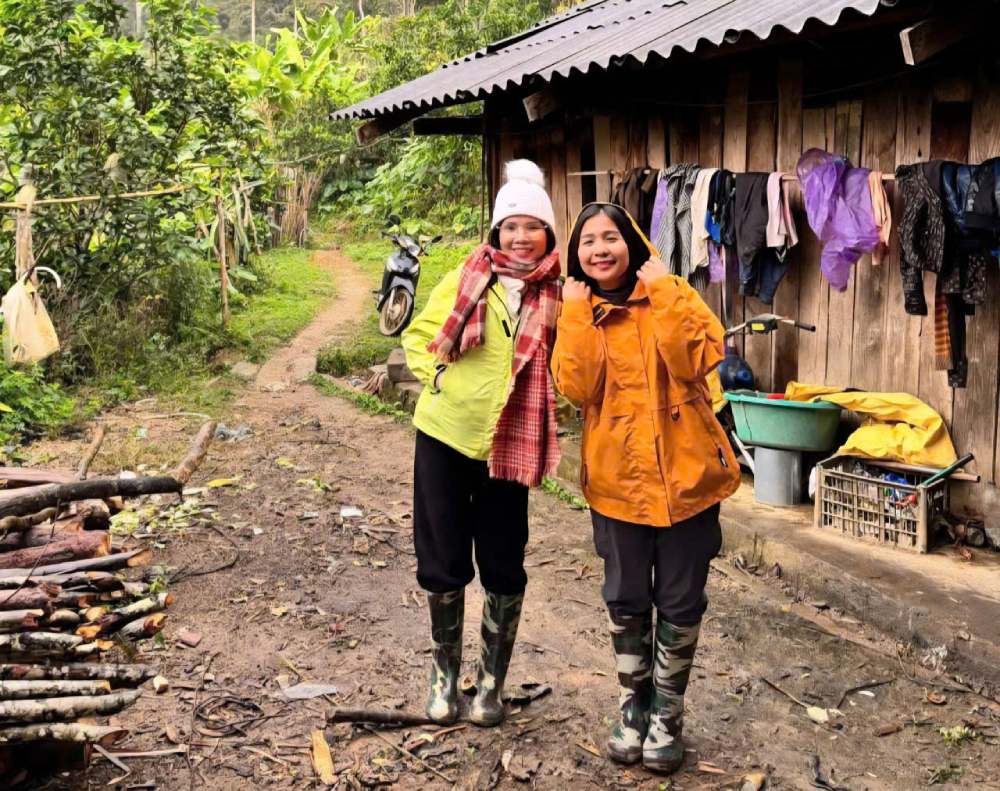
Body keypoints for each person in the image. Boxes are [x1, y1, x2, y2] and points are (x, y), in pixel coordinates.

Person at [551, 202, 739, 773]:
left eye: (610, 237)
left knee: (680, 601)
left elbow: (696, 362)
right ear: (577, 255)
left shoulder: (672, 291)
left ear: (632, 242)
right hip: (618, 481)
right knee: (626, 597)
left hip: (688, 479)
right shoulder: (578, 309)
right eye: (587, 241)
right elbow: (577, 388)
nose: (599, 249)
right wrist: (576, 314)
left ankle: (668, 715)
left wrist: (664, 293)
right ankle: (633, 708)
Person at [401, 160, 562, 726]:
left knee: (503, 560)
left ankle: (491, 684)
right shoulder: (467, 278)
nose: (520, 237)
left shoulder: (558, 295)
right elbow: (419, 337)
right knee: (441, 557)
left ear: (548, 234)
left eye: (532, 226)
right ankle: (444, 677)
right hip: (445, 436)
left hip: (509, 444)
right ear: (496, 231)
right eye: (510, 226)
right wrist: (440, 380)